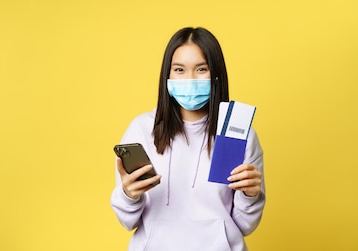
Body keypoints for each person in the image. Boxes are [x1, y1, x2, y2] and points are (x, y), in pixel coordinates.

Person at [110, 27, 265, 251]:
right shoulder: (142, 129)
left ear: (216, 75)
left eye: (201, 69)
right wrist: (128, 196)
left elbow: (245, 224)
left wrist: (250, 195)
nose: (190, 79)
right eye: (179, 69)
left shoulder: (239, 134)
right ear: (168, 75)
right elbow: (127, 221)